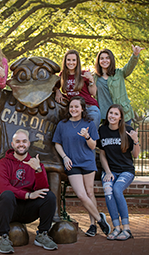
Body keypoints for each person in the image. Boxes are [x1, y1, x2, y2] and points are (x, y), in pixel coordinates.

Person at [53, 96, 110, 237]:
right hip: (72, 163)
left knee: (90, 193)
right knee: (81, 194)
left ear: (82, 109)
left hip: (87, 162)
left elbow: (93, 146)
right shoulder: (62, 124)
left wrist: (87, 137)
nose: (73, 109)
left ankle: (92, 225)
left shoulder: (89, 124)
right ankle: (100, 220)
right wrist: (65, 157)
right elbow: (57, 143)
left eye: (76, 107)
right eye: (71, 107)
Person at [0, 129, 58, 253]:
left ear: (29, 144)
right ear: (12, 144)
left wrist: (38, 170)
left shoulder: (35, 163)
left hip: (27, 209)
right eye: (17, 142)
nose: (21, 144)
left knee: (49, 196)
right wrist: (28, 195)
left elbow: (43, 189)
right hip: (7, 209)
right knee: (7, 194)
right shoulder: (3, 163)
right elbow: (4, 187)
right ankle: (2, 237)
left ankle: (42, 234)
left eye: (24, 141)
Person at [97, 104, 140, 240]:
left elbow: (136, 155)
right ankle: (116, 228)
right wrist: (108, 172)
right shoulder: (102, 130)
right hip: (110, 171)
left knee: (117, 189)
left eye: (116, 114)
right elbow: (102, 155)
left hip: (126, 170)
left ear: (121, 117)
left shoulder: (128, 131)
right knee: (108, 189)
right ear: (107, 114)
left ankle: (126, 229)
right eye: (111, 113)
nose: (113, 116)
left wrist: (136, 141)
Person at [94, 45, 144, 125]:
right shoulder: (95, 77)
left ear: (111, 60)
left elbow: (129, 66)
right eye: (102, 58)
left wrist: (135, 54)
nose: (104, 60)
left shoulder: (119, 73)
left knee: (125, 137)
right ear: (98, 61)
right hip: (106, 117)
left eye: (107, 58)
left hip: (122, 115)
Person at [55, 49, 101, 129]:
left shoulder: (83, 74)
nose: (71, 62)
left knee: (90, 137)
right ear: (65, 61)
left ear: (77, 62)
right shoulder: (63, 75)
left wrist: (91, 80)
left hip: (89, 108)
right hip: (74, 110)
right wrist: (57, 92)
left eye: (74, 60)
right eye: (68, 60)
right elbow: (55, 86)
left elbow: (93, 93)